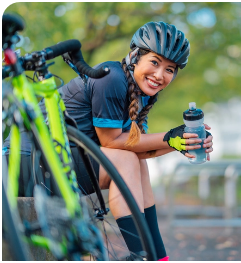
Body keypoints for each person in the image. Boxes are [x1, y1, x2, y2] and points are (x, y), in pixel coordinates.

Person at [3, 21, 214, 261]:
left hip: (59, 164)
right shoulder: (111, 78)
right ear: (135, 57)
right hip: (24, 165)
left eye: (170, 69)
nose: (159, 75)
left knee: (137, 163)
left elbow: (137, 148)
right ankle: (141, 255)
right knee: (125, 161)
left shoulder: (141, 94)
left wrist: (182, 141)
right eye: (155, 62)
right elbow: (112, 142)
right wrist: (168, 137)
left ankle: (157, 257)